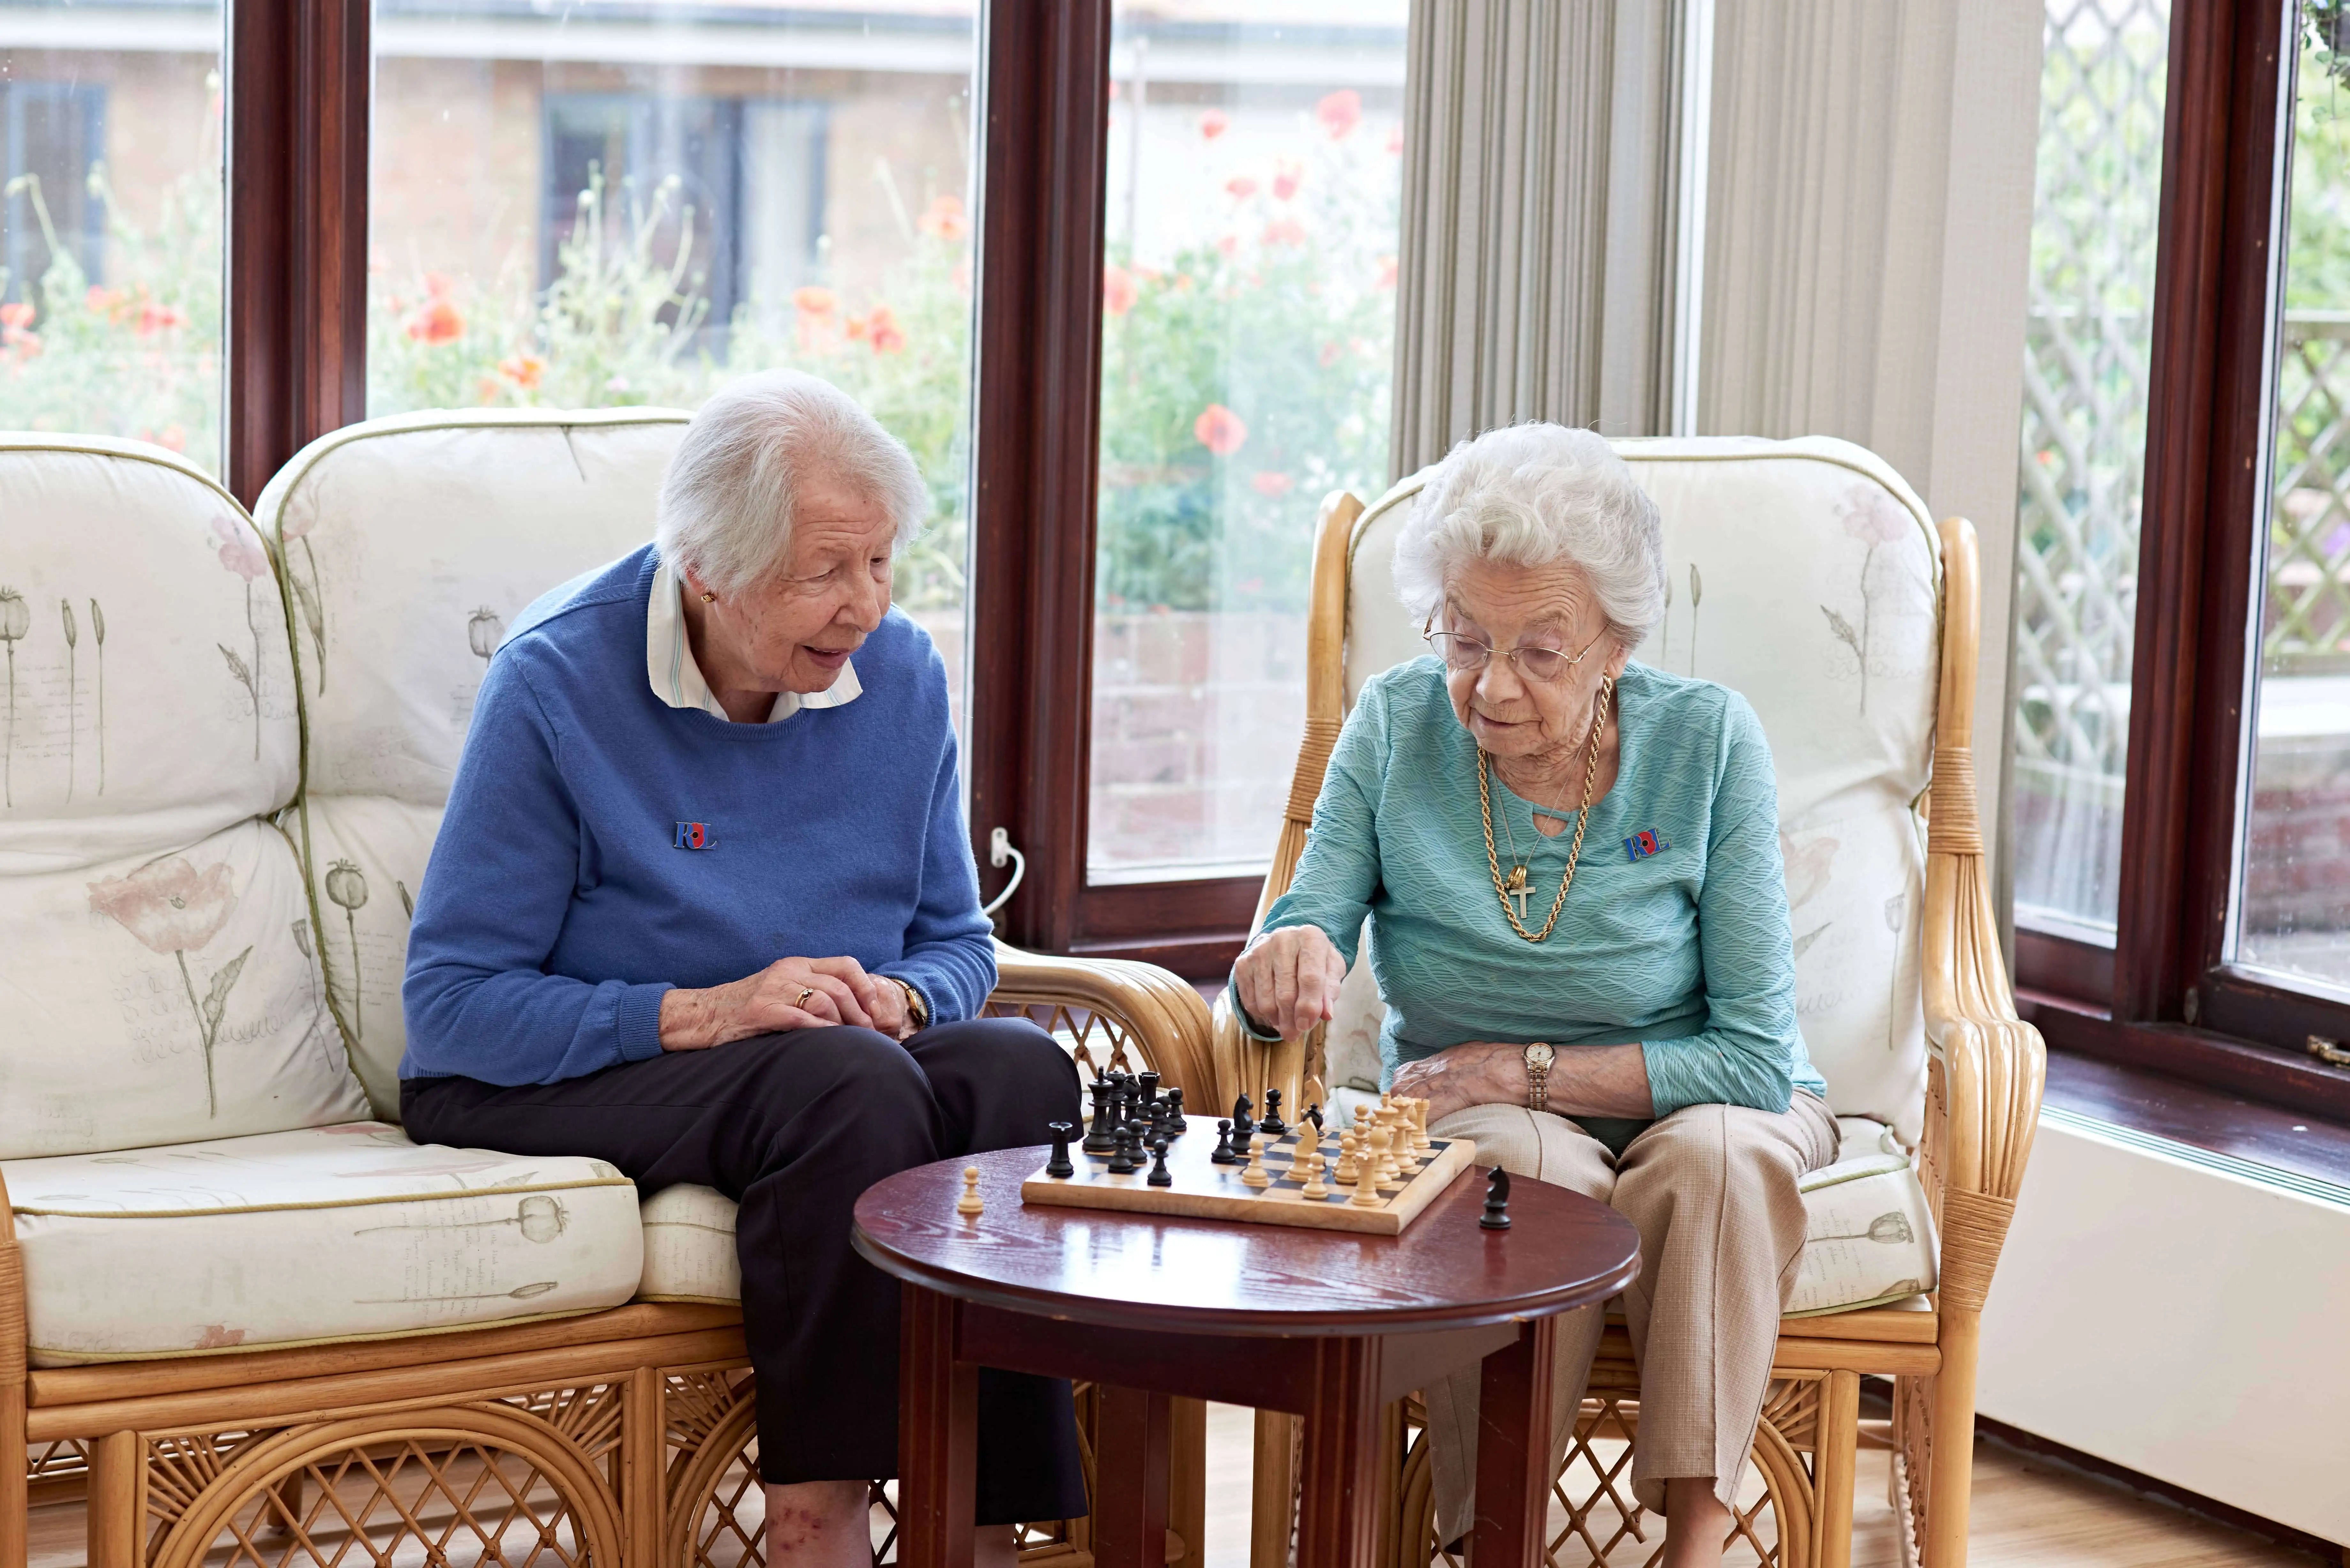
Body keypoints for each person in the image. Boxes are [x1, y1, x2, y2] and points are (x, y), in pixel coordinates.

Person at [401, 370, 1085, 1568]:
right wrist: (709, 1011)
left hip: (818, 1069)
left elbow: (957, 940)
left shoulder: (902, 678)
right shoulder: (557, 681)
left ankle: (980, 1535)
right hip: (557, 1076)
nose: (864, 605)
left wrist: (905, 998)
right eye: (825, 572)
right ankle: (817, 1531)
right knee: (844, 1084)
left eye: (881, 563)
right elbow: (452, 1010)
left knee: (1017, 1071)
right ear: (707, 567)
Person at [1230, 423, 1835, 1568]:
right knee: (1516, 1164)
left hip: (1707, 1094)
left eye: (1541, 651)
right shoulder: (1396, 725)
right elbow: (1296, 935)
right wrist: (1282, 963)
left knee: (1718, 1161)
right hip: (1490, 1117)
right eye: (1466, 640)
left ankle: (1697, 1549)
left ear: (1617, 644)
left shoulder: (1707, 742)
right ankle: (1492, 1541)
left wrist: (1520, 1065)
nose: (1492, 685)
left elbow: (1756, 1059)